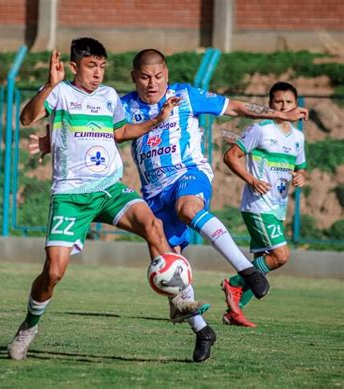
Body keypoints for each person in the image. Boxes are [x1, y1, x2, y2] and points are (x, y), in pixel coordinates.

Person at [8, 37, 216, 363]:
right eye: (92, 66)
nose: (98, 74)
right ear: (74, 67)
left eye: (103, 67)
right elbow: (25, 119)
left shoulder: (108, 97)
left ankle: (180, 302)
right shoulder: (60, 92)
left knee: (152, 224)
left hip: (109, 188)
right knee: (53, 273)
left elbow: (119, 133)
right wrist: (49, 85)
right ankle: (29, 327)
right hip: (71, 196)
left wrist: (156, 121)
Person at [120, 49, 308, 305]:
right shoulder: (123, 106)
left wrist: (278, 114)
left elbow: (235, 107)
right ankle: (193, 319)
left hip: (188, 172)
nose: (152, 83)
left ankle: (246, 269)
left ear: (167, 74)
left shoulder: (186, 95)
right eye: (145, 77)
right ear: (134, 77)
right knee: (170, 261)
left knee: (187, 207)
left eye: (158, 76)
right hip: (154, 191)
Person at [221, 82, 306, 327]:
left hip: (277, 208)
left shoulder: (298, 138)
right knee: (280, 256)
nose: (284, 106)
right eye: (278, 102)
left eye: (288, 102)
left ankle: (234, 313)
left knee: (263, 264)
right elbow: (230, 156)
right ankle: (234, 283)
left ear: (296, 105)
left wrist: (301, 176)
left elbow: (301, 169)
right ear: (270, 105)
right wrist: (251, 179)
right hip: (258, 205)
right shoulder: (260, 129)